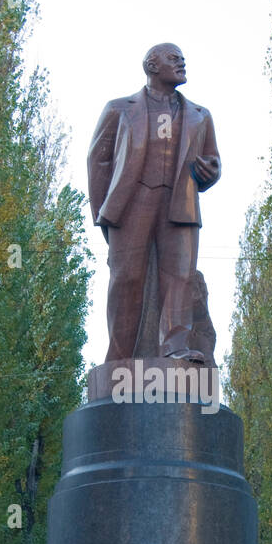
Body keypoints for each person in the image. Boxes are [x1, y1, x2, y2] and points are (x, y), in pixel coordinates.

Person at [87, 43, 221, 362]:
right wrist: (104, 214)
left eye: (182, 59)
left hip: (181, 204)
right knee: (126, 279)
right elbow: (98, 160)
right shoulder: (119, 109)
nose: (182, 63)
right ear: (151, 66)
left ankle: (176, 348)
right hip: (133, 203)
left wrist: (210, 172)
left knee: (180, 277)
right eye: (174, 59)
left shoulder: (200, 116)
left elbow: (213, 160)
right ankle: (119, 357)